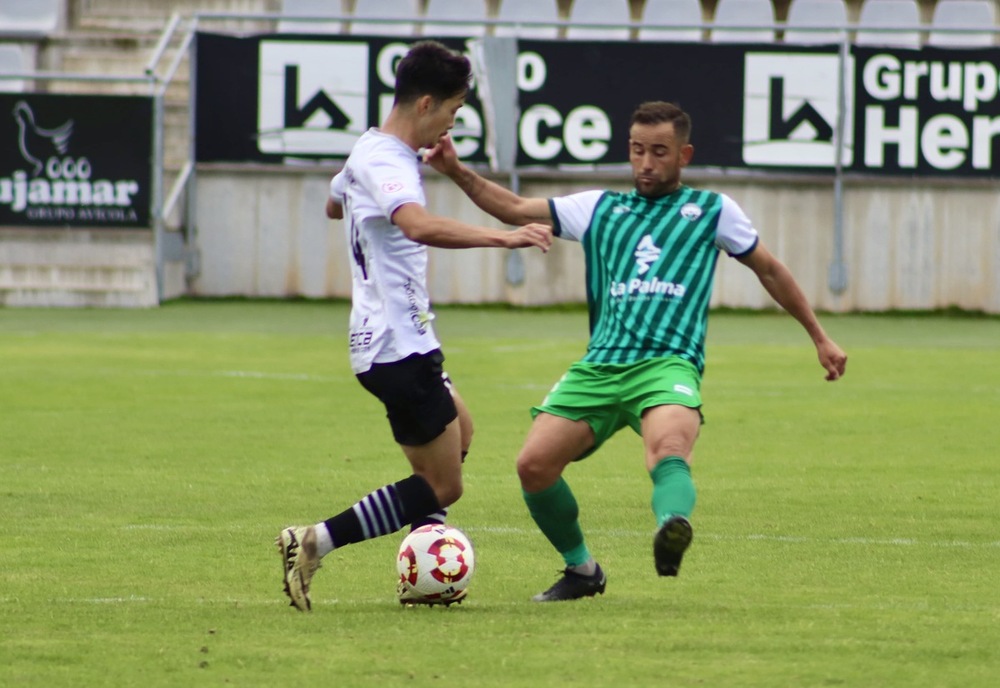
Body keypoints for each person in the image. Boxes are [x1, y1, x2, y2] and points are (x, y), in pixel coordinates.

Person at [426, 100, 848, 601]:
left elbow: (771, 270)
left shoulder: (712, 211)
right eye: (637, 150)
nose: (646, 163)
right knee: (533, 466)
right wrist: (455, 170)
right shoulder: (600, 209)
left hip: (668, 363)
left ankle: (673, 526)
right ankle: (582, 572)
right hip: (601, 364)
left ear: (683, 155)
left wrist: (819, 335)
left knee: (668, 449)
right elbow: (515, 208)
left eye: (659, 152)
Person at [277, 40, 552, 612]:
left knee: (464, 433)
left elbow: (335, 205)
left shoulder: (366, 152)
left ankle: (423, 562)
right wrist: (502, 237)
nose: (451, 125)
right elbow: (418, 225)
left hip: (398, 340)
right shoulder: (386, 161)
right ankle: (314, 541)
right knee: (445, 485)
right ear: (425, 103)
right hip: (397, 347)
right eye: (451, 113)